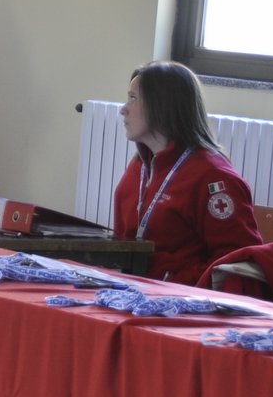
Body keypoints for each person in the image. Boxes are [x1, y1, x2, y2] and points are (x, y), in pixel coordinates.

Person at [112, 60, 264, 284]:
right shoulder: (140, 165)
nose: (123, 109)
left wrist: (176, 282)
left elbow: (238, 263)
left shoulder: (213, 176)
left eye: (133, 98)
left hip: (178, 302)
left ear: (162, 106)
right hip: (130, 289)